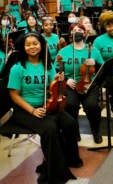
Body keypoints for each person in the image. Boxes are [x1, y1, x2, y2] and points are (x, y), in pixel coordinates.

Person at [8, 32, 82, 184]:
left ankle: (68, 159)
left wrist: (58, 81)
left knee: (70, 123)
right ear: (23, 47)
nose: (32, 47)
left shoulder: (47, 65)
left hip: (47, 105)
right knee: (50, 128)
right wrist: (33, 111)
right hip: (24, 110)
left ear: (42, 45)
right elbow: (14, 95)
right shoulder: (18, 68)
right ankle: (55, 174)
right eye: (28, 44)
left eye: (35, 43)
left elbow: (52, 88)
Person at [56, 23, 104, 143]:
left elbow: (102, 68)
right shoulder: (64, 51)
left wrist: (95, 63)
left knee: (92, 106)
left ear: (85, 33)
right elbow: (56, 71)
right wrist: (66, 80)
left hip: (89, 85)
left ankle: (96, 130)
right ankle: (74, 131)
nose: (77, 32)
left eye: (79, 30)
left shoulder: (93, 50)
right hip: (71, 85)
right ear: (71, 34)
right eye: (74, 30)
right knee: (70, 105)